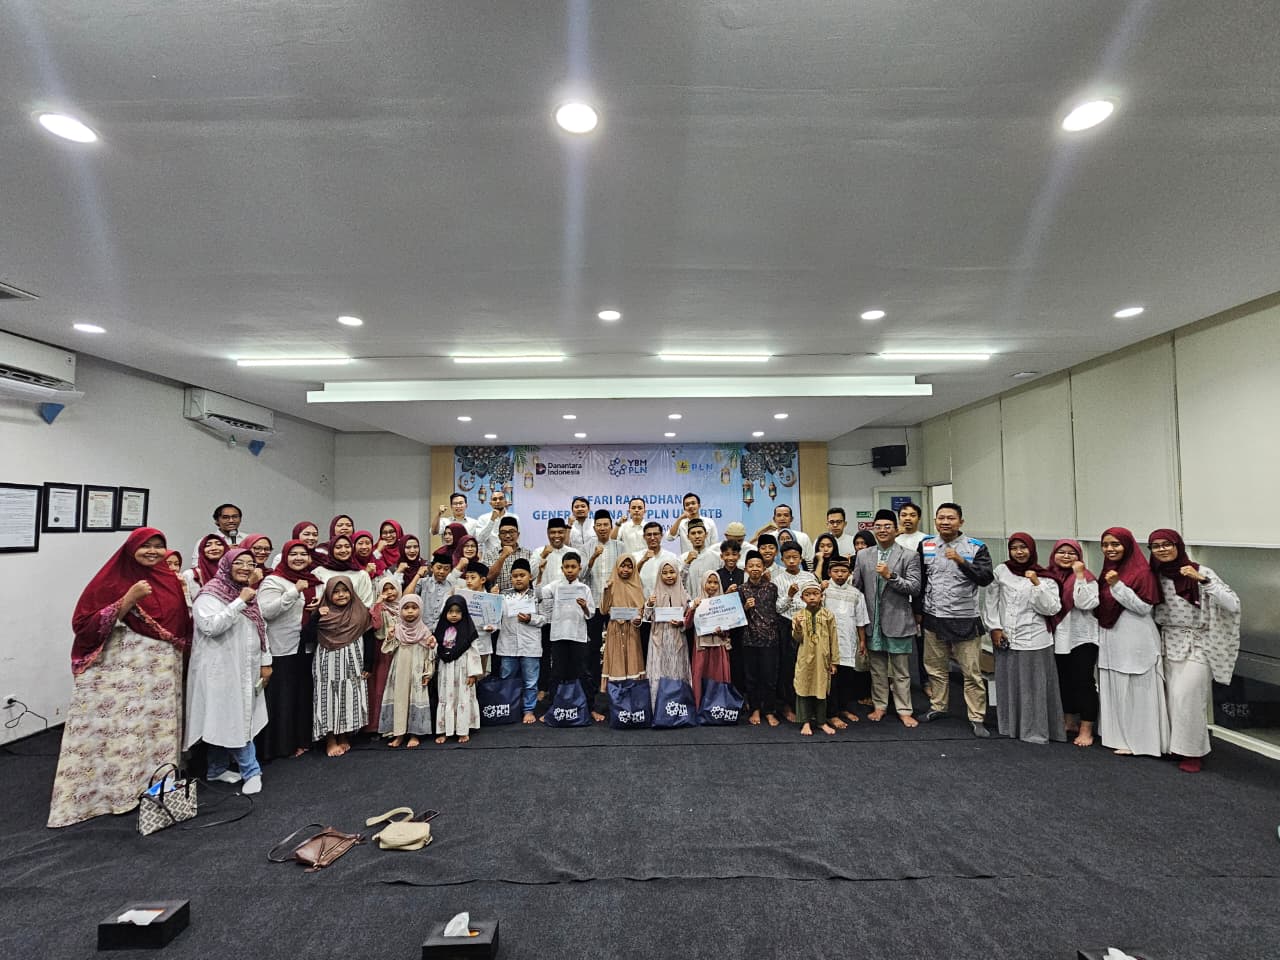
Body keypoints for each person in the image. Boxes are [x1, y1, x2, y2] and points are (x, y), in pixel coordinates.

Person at [48, 528, 192, 829]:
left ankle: (152, 789)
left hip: (160, 676)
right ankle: (111, 793)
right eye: (145, 546)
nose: (153, 552)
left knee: (152, 732)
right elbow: (84, 626)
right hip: (120, 676)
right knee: (121, 732)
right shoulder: (112, 580)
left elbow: (181, 626)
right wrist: (128, 599)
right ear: (130, 548)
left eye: (159, 546)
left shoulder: (169, 580)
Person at [1148, 528, 1241, 772]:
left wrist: (1203, 581)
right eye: (1156, 546)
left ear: (1178, 545)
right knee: (1170, 698)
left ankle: (1192, 752)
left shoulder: (1201, 571)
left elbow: (1232, 604)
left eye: (1167, 544)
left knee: (1187, 698)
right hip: (1166, 642)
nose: (1162, 549)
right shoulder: (1153, 575)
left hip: (1198, 643)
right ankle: (1175, 747)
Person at [1071, 527, 1169, 758]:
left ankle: (1142, 742)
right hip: (1112, 637)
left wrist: (1117, 586)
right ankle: (1119, 737)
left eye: (1115, 544)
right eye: (1105, 545)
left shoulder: (1142, 572)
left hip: (1136, 638)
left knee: (1138, 690)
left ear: (1127, 545)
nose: (1109, 549)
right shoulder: (1109, 570)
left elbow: (1143, 608)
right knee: (1116, 687)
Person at [185, 548, 271, 794]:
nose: (245, 567)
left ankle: (217, 768)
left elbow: (260, 628)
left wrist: (266, 661)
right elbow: (211, 627)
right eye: (239, 563)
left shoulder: (247, 593)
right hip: (219, 670)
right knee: (232, 718)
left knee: (224, 718)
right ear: (226, 566)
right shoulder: (209, 594)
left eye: (250, 563)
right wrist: (239, 601)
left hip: (246, 667)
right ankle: (251, 771)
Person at [916, 502, 994, 738]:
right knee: (935, 668)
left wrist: (961, 561)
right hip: (933, 615)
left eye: (950, 518)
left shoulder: (976, 547)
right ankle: (938, 706)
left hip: (964, 617)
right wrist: (918, 611)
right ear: (935, 521)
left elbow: (985, 578)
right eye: (941, 518)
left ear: (961, 521)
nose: (945, 522)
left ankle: (976, 717)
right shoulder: (926, 545)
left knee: (971, 672)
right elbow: (921, 581)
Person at [982, 533, 1066, 744]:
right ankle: (1011, 726)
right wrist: (994, 628)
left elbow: (1051, 608)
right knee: (1008, 683)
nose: (1019, 552)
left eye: (1023, 547)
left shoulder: (1045, 577)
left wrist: (1037, 583)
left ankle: (1035, 730)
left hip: (1034, 639)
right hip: (1006, 637)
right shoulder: (1002, 571)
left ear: (1032, 549)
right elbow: (991, 601)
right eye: (1014, 548)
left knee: (1034, 686)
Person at [853, 510, 921, 727]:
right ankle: (880, 706)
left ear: (896, 529)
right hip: (873, 622)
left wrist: (890, 576)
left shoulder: (909, 555)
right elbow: (856, 588)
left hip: (898, 620)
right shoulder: (863, 555)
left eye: (887, 526)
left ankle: (904, 710)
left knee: (901, 671)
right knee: (877, 670)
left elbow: (915, 588)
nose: (882, 530)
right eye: (878, 526)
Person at [255, 539, 322, 760]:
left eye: (303, 554)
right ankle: (281, 746)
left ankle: (301, 740)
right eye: (293, 554)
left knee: (300, 696)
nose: (299, 558)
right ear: (284, 556)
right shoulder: (273, 580)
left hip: (305, 646)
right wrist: (294, 592)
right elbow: (266, 612)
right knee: (282, 698)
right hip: (281, 648)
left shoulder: (312, 580)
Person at [307, 575, 373, 757]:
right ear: (328, 594)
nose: (341, 595)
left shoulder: (360, 611)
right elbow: (307, 637)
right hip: (327, 662)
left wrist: (368, 665)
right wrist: (316, 617)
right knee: (327, 697)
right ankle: (330, 739)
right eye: (336, 592)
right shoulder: (322, 613)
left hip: (353, 661)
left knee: (348, 695)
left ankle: (344, 734)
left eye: (345, 591)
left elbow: (369, 637)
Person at [1044, 539, 1100, 747]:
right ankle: (1069, 721)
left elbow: (1086, 603)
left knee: (1083, 682)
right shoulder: (1047, 576)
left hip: (1082, 638)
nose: (1066, 556)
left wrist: (1079, 576)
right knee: (1063, 681)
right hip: (1058, 637)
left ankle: (1086, 728)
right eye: (1062, 552)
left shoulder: (1088, 578)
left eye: (1072, 553)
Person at [538, 552, 595, 716]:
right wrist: (540, 574)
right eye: (567, 567)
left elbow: (591, 614)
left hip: (578, 635)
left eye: (573, 567)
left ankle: (589, 708)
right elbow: (539, 594)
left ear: (579, 568)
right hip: (558, 635)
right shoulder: (555, 586)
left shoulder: (584, 588)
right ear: (562, 568)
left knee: (582, 672)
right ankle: (553, 708)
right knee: (556, 672)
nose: (570, 570)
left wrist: (584, 606)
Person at [378, 593, 434, 748]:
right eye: (406, 608)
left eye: (414, 608)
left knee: (415, 697)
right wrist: (390, 637)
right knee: (400, 699)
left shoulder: (425, 631)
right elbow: (388, 650)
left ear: (420, 610)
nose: (410, 611)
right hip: (400, 671)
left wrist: (428, 673)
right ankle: (399, 734)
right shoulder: (397, 629)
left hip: (416, 671)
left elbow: (429, 656)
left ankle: (414, 734)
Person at [823, 556, 870, 728]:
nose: (840, 575)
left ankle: (843, 708)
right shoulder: (824, 591)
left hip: (849, 641)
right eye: (836, 571)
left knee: (847, 677)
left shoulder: (856, 594)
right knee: (832, 679)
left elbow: (860, 620)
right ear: (829, 572)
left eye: (843, 571)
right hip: (829, 642)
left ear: (849, 573)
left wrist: (862, 641)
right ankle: (831, 714)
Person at [496, 558, 544, 724]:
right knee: (507, 678)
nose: (518, 579)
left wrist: (531, 619)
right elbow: (495, 617)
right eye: (515, 576)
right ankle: (508, 708)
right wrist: (492, 599)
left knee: (530, 681)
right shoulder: (503, 595)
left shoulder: (536, 595)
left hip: (530, 645)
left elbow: (545, 618)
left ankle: (528, 710)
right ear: (511, 578)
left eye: (522, 575)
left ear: (529, 576)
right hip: (507, 644)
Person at [431, 597, 483, 743]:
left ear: (464, 613)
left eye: (458, 612)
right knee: (445, 698)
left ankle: (462, 730)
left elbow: (474, 652)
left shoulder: (469, 631)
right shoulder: (441, 629)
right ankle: (444, 730)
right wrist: (432, 646)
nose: (454, 615)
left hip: (463, 670)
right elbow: (435, 648)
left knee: (462, 697)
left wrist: (473, 674)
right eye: (450, 611)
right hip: (446, 670)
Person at [791, 581, 840, 736]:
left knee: (821, 689)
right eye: (808, 595)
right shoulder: (798, 616)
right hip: (805, 658)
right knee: (803, 687)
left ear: (821, 596)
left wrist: (834, 661)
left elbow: (834, 639)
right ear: (802, 598)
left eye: (815, 594)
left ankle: (821, 721)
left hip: (822, 659)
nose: (812, 597)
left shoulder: (828, 615)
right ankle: (805, 722)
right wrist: (798, 626)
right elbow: (797, 639)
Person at [582, 510, 621, 700]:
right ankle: (594, 686)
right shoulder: (586, 547)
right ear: (594, 527)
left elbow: (627, 572)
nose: (603, 528)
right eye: (599, 525)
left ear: (611, 527)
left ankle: (616, 682)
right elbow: (581, 576)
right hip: (594, 604)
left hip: (615, 604)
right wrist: (592, 558)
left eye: (606, 525)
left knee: (617, 645)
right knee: (593, 646)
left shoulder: (620, 546)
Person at [644, 560, 692, 709]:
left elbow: (689, 618)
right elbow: (647, 616)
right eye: (664, 573)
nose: (669, 576)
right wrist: (649, 604)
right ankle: (657, 707)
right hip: (658, 639)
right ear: (660, 575)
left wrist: (681, 622)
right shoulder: (654, 594)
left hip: (677, 636)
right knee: (659, 670)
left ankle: (679, 706)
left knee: (677, 669)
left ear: (677, 573)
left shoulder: (685, 595)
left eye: (672, 572)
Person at [739, 550, 780, 726]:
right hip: (749, 639)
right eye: (751, 566)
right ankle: (755, 709)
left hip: (770, 639)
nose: (755, 568)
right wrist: (745, 607)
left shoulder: (772, 588)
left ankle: (769, 711)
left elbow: (779, 610)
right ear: (746, 569)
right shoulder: (741, 589)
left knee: (769, 677)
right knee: (752, 677)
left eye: (758, 565)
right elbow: (735, 617)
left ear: (763, 568)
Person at [599, 554, 644, 708]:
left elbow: (641, 610)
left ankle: (633, 703)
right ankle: (616, 704)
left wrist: (638, 619)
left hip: (631, 631)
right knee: (616, 663)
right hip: (615, 631)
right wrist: (606, 591)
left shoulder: (637, 586)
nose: (626, 570)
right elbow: (603, 610)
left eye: (630, 566)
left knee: (632, 662)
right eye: (622, 566)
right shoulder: (611, 585)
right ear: (617, 567)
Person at [772, 541, 809, 722]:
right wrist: (789, 595)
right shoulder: (778, 580)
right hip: (786, 626)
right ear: (782, 559)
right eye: (788, 558)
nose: (792, 561)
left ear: (801, 558)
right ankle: (787, 706)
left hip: (808, 625)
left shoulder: (809, 577)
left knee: (807, 666)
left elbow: (817, 601)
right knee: (788, 668)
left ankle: (807, 706)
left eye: (795, 557)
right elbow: (778, 608)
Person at [688, 572, 733, 708]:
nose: (712, 586)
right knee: (701, 675)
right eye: (709, 582)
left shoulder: (723, 602)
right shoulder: (696, 601)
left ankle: (718, 708)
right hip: (702, 647)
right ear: (703, 583)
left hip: (719, 647)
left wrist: (722, 631)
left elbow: (728, 629)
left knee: (718, 676)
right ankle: (700, 707)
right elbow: (687, 624)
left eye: (715, 583)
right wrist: (693, 608)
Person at [365, 577, 402, 733]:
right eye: (385, 589)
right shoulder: (379, 608)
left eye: (392, 588)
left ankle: (396, 724)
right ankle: (377, 724)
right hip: (383, 652)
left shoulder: (403, 606)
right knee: (380, 686)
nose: (389, 592)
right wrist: (378, 604)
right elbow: (376, 625)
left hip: (399, 651)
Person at [315, 534, 376, 608]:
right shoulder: (319, 572)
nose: (343, 550)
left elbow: (366, 603)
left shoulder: (361, 575)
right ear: (331, 549)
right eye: (338, 547)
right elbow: (317, 600)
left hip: (355, 615)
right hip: (325, 614)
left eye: (347, 547)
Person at [483, 516, 531, 594]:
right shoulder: (490, 554)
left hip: (523, 599)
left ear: (518, 534)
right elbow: (488, 577)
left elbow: (532, 579)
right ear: (499, 536)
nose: (508, 536)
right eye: (503, 533)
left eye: (511, 532)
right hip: (498, 598)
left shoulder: (528, 554)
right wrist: (503, 556)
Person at [635, 521, 681, 595]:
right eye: (649, 535)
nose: (652, 538)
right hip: (642, 600)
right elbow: (630, 578)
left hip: (666, 600)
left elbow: (678, 581)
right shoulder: (637, 557)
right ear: (644, 537)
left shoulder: (671, 557)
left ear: (661, 535)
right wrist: (643, 560)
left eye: (655, 534)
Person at [472, 488, 518, 554]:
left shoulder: (514, 518)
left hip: (510, 555)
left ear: (505, 501)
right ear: (490, 503)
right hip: (490, 557)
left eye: (501, 498)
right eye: (494, 499)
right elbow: (479, 539)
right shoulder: (483, 518)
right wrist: (492, 520)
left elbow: (517, 538)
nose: (498, 501)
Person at [183, 534, 227, 599]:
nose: (214, 548)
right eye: (208, 545)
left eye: (219, 544)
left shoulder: (233, 573)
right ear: (201, 550)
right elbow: (186, 602)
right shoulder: (190, 575)